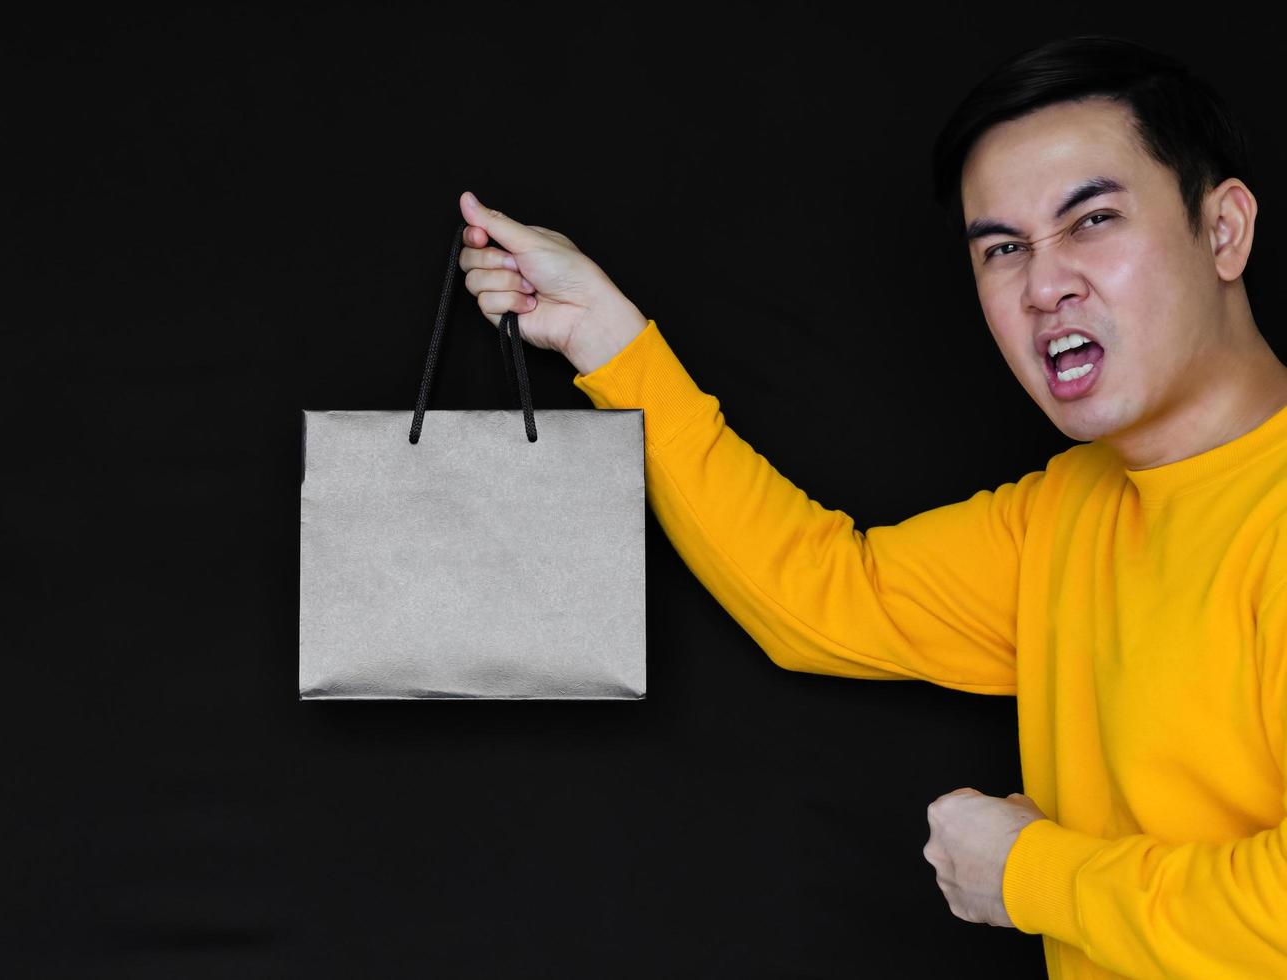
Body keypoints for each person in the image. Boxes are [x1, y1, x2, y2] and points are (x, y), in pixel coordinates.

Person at [455, 34, 1287, 980]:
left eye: (1092, 221)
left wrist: (1030, 876)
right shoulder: (1070, 510)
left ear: (1223, 231)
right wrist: (607, 339)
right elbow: (821, 595)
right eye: (1003, 249)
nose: (1045, 284)